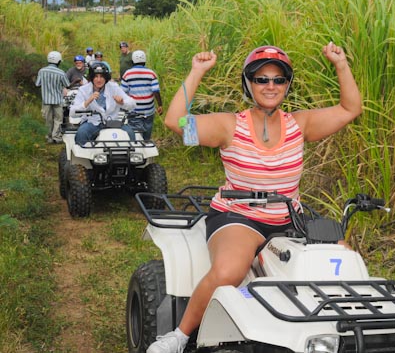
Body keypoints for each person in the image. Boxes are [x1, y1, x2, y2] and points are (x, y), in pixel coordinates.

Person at [147, 42, 362, 353]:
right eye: (261, 79)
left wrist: (340, 64)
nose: (270, 86)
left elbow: (350, 109)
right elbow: (176, 122)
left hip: (290, 218)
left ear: (288, 84)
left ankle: (345, 333)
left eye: (278, 79)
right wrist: (196, 71)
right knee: (229, 271)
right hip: (240, 217)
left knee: (345, 259)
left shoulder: (300, 125)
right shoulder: (229, 126)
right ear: (248, 83)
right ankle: (179, 336)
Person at [70, 62, 136, 146]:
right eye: (96, 76)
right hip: (92, 122)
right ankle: (84, 158)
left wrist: (122, 102)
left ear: (106, 78)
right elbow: (72, 112)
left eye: (101, 77)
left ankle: (131, 157)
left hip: (113, 122)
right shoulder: (83, 90)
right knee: (81, 133)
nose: (99, 80)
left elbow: (132, 104)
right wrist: (88, 102)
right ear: (92, 77)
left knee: (130, 133)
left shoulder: (114, 87)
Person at [120, 50, 163, 140]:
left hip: (134, 111)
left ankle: (135, 149)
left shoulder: (127, 74)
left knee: (135, 135)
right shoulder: (151, 73)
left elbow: (123, 92)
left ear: (132, 61)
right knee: (147, 134)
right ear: (145, 60)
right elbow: (156, 91)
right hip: (148, 110)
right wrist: (160, 105)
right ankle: (146, 144)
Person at [35, 51, 70, 144]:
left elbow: (37, 84)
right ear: (58, 61)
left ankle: (48, 137)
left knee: (47, 119)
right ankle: (56, 137)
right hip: (58, 100)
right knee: (58, 119)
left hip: (46, 100)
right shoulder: (61, 73)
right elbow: (67, 84)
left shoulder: (42, 71)